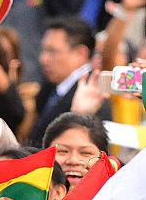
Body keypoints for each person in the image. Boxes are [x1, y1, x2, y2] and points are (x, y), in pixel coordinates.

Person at [29, 17, 109, 147]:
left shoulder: (94, 95)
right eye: (43, 50)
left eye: (52, 51)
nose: (43, 59)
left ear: (80, 53)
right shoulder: (51, 85)